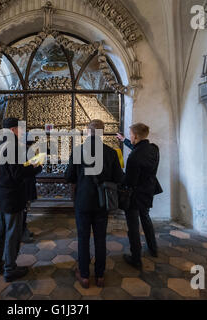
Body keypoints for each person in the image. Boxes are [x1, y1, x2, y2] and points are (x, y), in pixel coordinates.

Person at [65, 120, 125, 289]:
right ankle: (100, 275)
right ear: (102, 133)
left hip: (83, 201)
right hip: (101, 202)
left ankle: (84, 276)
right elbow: (119, 178)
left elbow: (68, 176)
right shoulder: (111, 152)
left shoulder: (78, 151)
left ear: (87, 132)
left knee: (83, 238)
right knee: (100, 238)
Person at [0, 118, 42, 282]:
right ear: (13, 129)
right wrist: (35, 167)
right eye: (20, 129)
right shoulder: (14, 147)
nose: (22, 132)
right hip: (12, 197)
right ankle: (10, 269)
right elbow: (18, 174)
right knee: (13, 233)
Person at [118, 123, 163, 269]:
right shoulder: (153, 149)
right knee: (146, 219)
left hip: (135, 195)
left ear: (136, 136)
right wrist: (125, 140)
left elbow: (129, 181)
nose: (130, 136)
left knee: (133, 227)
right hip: (148, 191)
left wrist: (118, 179)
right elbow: (140, 151)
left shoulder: (133, 158)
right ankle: (153, 248)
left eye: (130, 134)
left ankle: (136, 258)